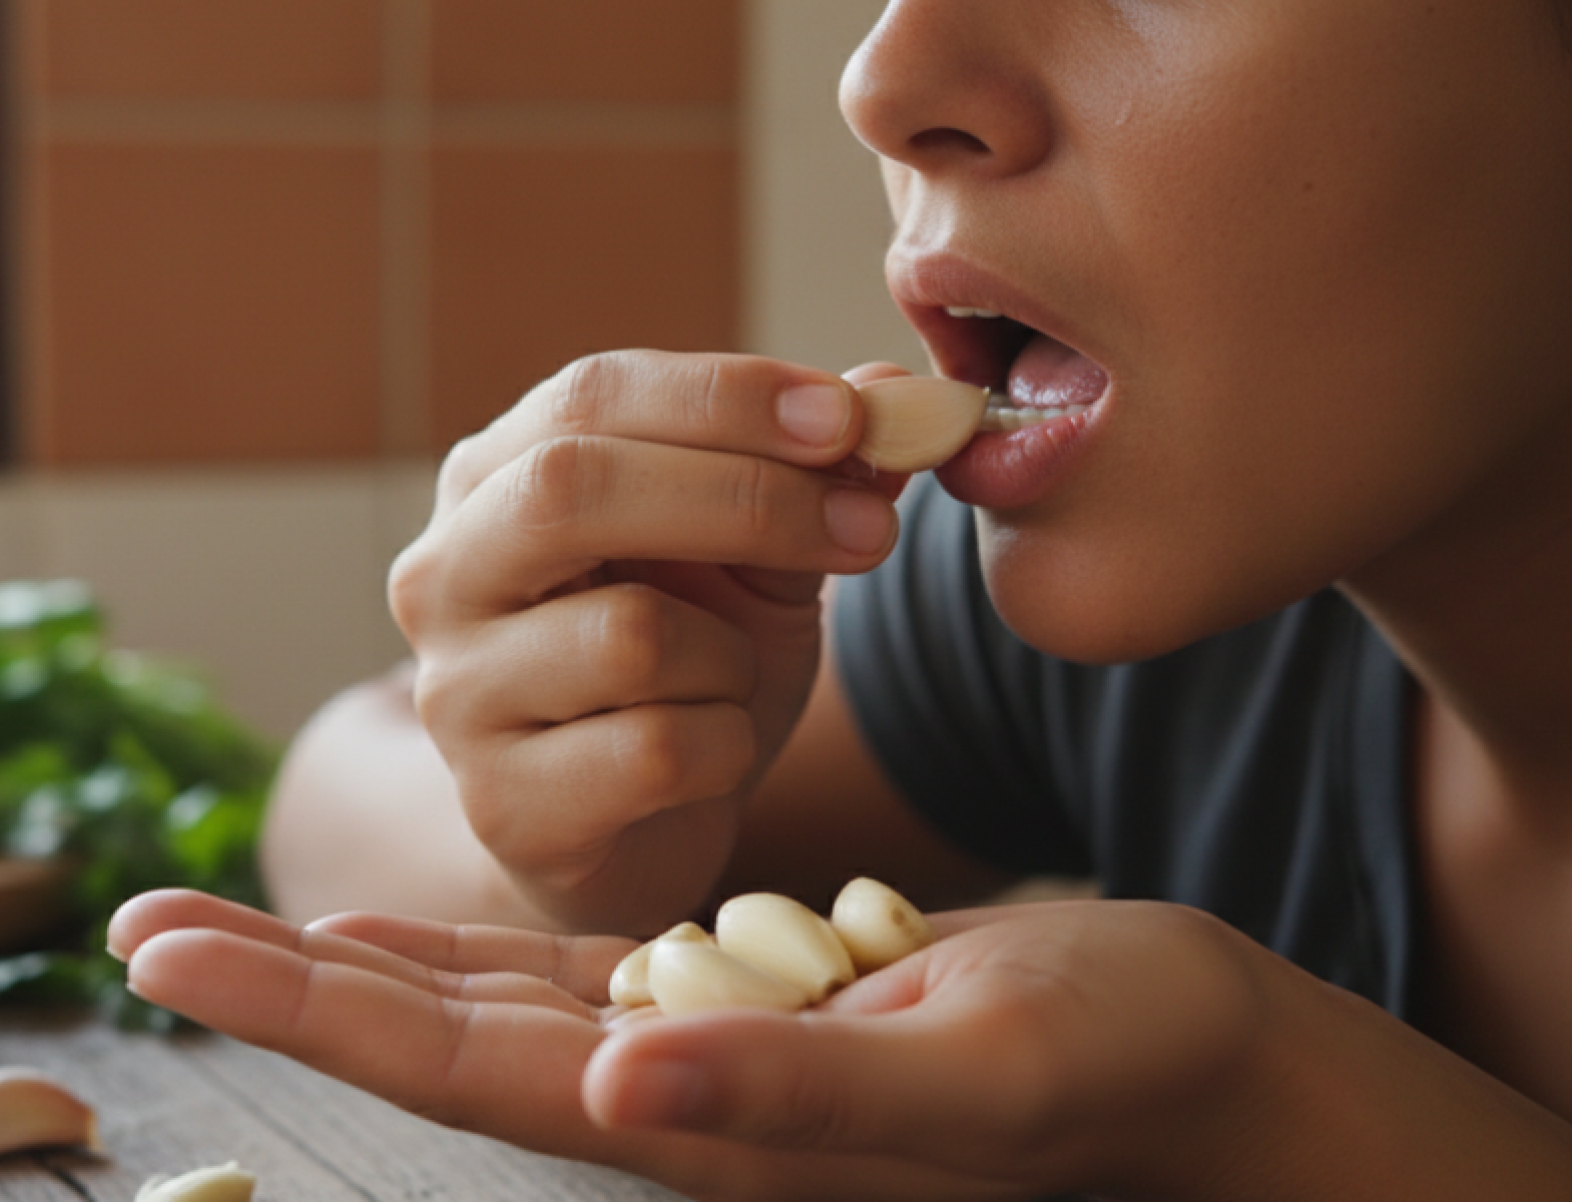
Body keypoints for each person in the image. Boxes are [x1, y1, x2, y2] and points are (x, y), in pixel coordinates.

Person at [107, 2, 1572, 1197]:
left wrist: (1293, 1125)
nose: (882, 80)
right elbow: (336, 800)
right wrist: (575, 828)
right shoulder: (1192, 578)